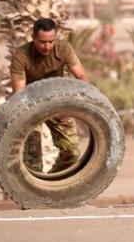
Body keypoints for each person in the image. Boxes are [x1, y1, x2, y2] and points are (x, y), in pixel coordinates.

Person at [10, 17, 89, 173]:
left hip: (56, 103)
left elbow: (81, 76)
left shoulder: (64, 48)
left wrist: (85, 100)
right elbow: (19, 93)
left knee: (72, 153)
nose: (47, 47)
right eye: (42, 42)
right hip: (31, 105)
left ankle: (53, 180)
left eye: (51, 41)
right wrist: (25, 116)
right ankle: (36, 188)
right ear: (33, 38)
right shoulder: (21, 55)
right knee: (32, 160)